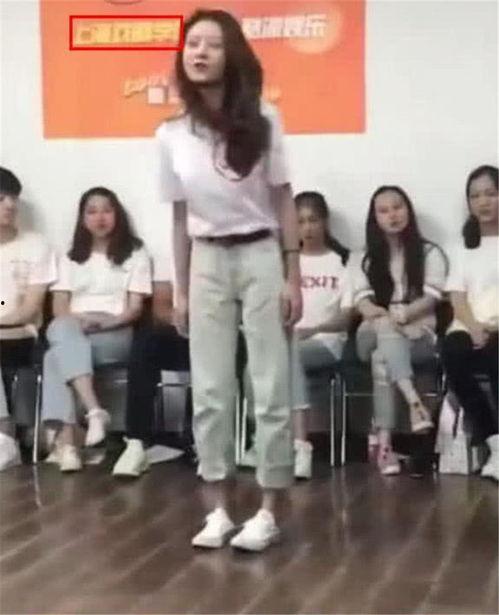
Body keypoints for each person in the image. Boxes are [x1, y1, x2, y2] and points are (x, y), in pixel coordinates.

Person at [157, 9, 302, 551]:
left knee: (269, 385)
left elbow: (284, 198)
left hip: (261, 252)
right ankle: (217, 509)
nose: (199, 52)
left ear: (232, 54)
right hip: (207, 260)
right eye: (192, 43)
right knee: (211, 391)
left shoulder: (264, 118)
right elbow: (178, 218)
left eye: (212, 45)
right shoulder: (171, 134)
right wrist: (180, 288)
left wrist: (292, 274)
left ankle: (268, 510)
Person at [41, 187, 151, 472]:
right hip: (75, 329)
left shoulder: (135, 253)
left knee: (56, 355)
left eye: (106, 210)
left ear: (117, 214)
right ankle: (94, 412)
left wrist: (105, 322)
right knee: (59, 343)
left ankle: (68, 445)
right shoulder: (70, 257)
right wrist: (80, 322)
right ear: (82, 219)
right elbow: (59, 307)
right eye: (91, 212)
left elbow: (135, 309)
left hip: (116, 332)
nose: (100, 217)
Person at [353, 186, 447, 475]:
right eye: (384, 211)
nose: (392, 215)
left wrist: (404, 315)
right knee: (384, 331)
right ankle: (414, 402)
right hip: (372, 331)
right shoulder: (365, 257)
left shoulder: (429, 253)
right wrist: (388, 318)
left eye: (398, 207)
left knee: (382, 360)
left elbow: (432, 298)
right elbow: (362, 302)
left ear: (408, 210)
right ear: (375, 219)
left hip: (419, 333)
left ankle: (384, 446)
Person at [442, 165, 498, 482]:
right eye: (475, 196)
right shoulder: (464, 248)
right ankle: (494, 441)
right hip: (469, 325)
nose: (483, 202)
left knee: (496, 357)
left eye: (491, 193)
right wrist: (474, 326)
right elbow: (457, 297)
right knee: (452, 353)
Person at [112, 253, 191, 477]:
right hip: (183, 331)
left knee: (214, 350)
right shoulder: (170, 255)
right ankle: (136, 442)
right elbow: (161, 308)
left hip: (220, 335)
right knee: (146, 341)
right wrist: (182, 320)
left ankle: (199, 439)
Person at [0, 167, 57, 471]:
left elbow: (30, 308)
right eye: (1, 198)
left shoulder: (36, 245)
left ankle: (5, 436)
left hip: (22, 335)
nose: (10, 205)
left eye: (13, 198)